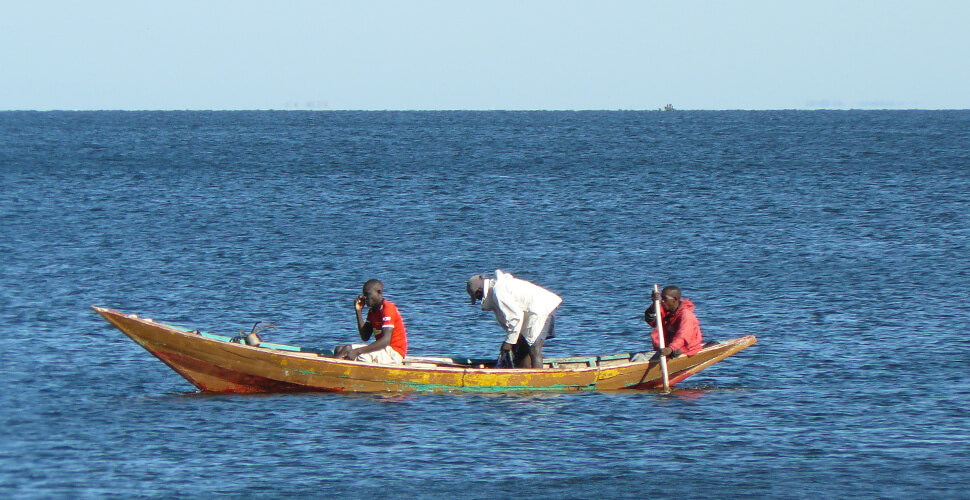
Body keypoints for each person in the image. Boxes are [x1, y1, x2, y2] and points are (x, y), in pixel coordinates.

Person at [466, 270, 562, 368]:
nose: (479, 299)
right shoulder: (496, 290)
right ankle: (522, 374)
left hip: (542, 309)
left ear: (479, 291)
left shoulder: (499, 291)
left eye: (477, 297)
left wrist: (509, 342)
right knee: (521, 349)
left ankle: (538, 377)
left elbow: (516, 318)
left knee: (534, 348)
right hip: (532, 311)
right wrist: (512, 341)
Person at [334, 279, 408, 364]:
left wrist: (358, 351)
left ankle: (334, 367)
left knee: (357, 354)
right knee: (340, 349)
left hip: (393, 352)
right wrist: (358, 311)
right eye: (363, 295)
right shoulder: (372, 312)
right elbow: (365, 336)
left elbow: (386, 340)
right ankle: (335, 367)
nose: (365, 298)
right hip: (382, 350)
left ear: (378, 292)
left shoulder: (388, 308)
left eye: (367, 294)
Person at [643, 285, 704, 358]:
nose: (662, 301)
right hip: (666, 349)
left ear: (674, 299)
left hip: (683, 349)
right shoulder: (666, 311)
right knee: (639, 357)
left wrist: (671, 349)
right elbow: (652, 321)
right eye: (661, 299)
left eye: (665, 299)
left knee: (641, 358)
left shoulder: (686, 315)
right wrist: (654, 305)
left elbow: (683, 336)